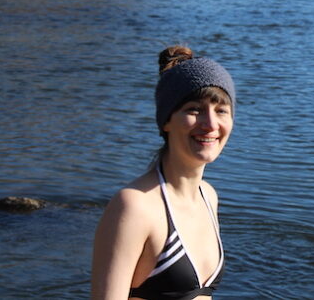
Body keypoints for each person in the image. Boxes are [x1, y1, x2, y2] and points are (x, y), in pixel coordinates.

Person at [91, 46, 235, 300]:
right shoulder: (134, 206)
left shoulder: (207, 196)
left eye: (221, 110)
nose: (211, 124)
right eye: (194, 109)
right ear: (167, 120)